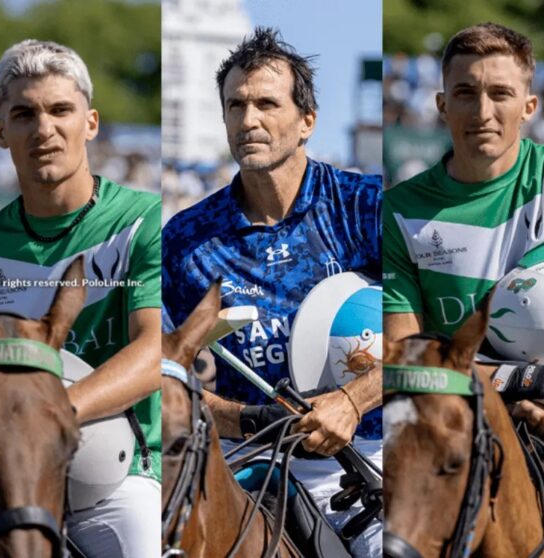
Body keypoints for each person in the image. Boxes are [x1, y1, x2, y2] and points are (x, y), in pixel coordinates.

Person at [161, 27, 382, 557]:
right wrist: (246, 419)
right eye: (235, 106)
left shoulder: (369, 206)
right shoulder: (184, 241)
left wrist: (352, 402)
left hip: (374, 454)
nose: (249, 120)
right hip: (248, 465)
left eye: (266, 104)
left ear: (307, 121)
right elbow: (160, 378)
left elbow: (430, 339)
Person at [0, 40, 161, 556]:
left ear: (90, 122)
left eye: (61, 110)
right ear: (0, 132)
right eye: (24, 114)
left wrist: (46, 414)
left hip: (116, 479)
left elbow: (153, 350)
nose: (44, 129)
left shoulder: (145, 220)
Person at [382, 22, 544, 454]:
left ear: (529, 106)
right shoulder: (398, 211)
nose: (483, 112)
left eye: (500, 94)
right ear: (442, 104)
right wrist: (515, 379)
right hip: (462, 428)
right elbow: (400, 358)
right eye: (465, 93)